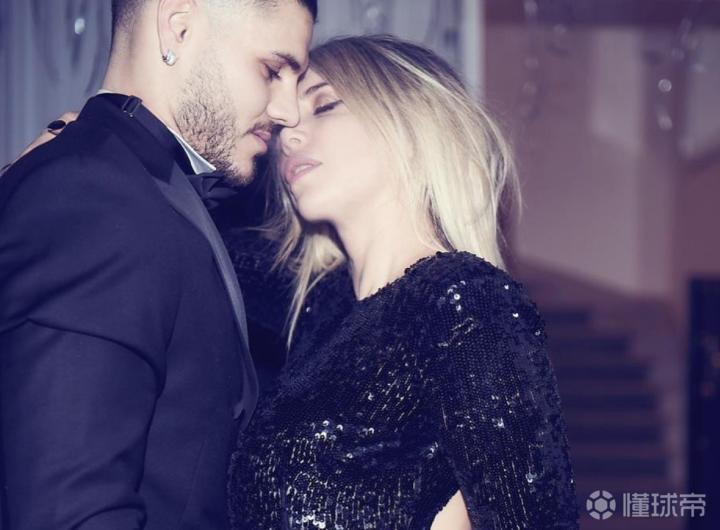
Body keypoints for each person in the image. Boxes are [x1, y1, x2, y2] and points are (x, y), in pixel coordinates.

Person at [223, 35, 580, 529]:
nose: (290, 135)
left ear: (411, 127)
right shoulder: (322, 306)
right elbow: (182, 240)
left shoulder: (464, 302)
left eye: (324, 105)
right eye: (284, 122)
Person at [0, 0, 315, 529]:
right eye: (272, 70)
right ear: (179, 28)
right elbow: (71, 514)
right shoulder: (96, 197)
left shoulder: (129, 184)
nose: (289, 111)